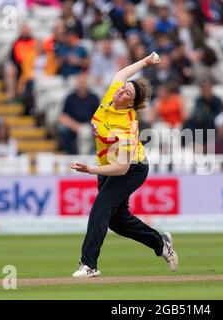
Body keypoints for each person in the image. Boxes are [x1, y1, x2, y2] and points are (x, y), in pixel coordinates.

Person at [70, 52, 179, 278]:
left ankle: (89, 264)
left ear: (132, 102)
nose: (121, 90)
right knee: (118, 222)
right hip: (108, 167)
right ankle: (161, 243)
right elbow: (121, 74)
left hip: (132, 168)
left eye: (127, 92)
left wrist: (90, 170)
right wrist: (146, 62)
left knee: (100, 207)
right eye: (123, 88)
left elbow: (122, 168)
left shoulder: (128, 125)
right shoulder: (111, 95)